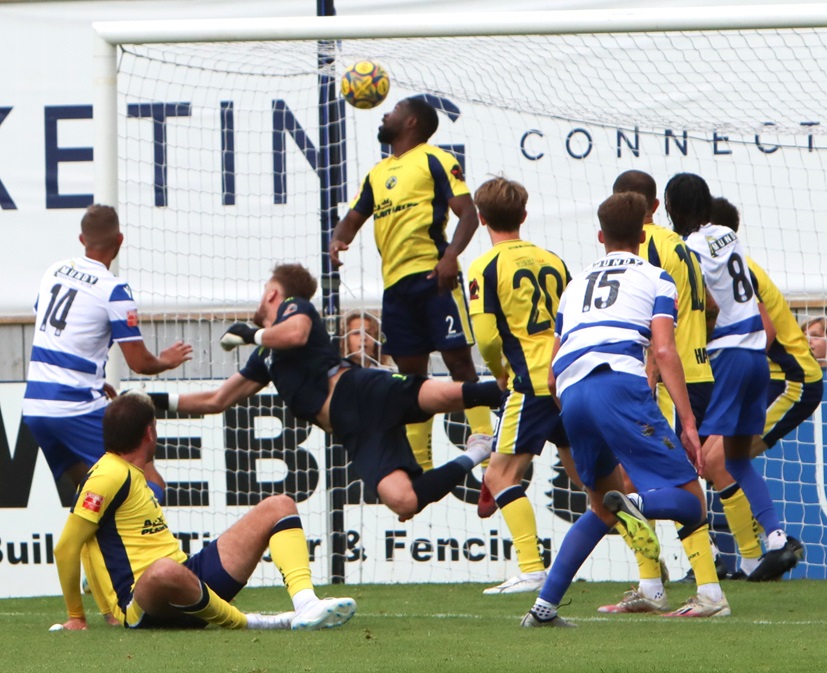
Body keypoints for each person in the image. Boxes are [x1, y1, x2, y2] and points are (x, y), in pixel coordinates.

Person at [522, 192, 728, 628]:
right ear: (643, 234)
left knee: (600, 508)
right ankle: (709, 592)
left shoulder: (575, 284)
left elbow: (550, 375)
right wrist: (688, 421)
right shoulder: (657, 277)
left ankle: (543, 609)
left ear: (600, 235)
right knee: (691, 499)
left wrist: (579, 411)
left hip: (572, 393)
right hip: (619, 382)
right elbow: (665, 350)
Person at [152, 263, 500, 521]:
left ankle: (511, 392)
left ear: (273, 293)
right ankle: (479, 450)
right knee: (404, 502)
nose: (261, 299)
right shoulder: (264, 357)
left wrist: (249, 333)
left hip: (358, 390)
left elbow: (296, 335)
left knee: (444, 395)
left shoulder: (295, 306)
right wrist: (154, 402)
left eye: (263, 292)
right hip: (355, 432)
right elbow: (216, 401)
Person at [52, 393, 356, 631]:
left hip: (187, 578)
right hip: (142, 601)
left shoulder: (132, 474)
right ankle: (253, 621)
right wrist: (78, 617)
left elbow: (104, 533)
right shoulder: (107, 475)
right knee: (162, 570)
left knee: (280, 506)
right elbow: (67, 546)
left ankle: (307, 603)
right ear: (150, 433)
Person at [329, 96, 494, 476]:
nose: (386, 113)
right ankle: (420, 464)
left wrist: (450, 256)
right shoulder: (377, 173)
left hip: (432, 277)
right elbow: (353, 217)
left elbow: (467, 212)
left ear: (412, 122)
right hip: (396, 288)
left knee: (457, 360)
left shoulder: (435, 159)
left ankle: (483, 434)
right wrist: (339, 238)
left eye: (395, 108)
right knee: (411, 377)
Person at [665, 173, 800, 582]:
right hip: (757, 357)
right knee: (737, 459)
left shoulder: (687, 247)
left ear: (672, 209)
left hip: (726, 354)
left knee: (702, 459)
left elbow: (704, 302)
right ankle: (774, 539)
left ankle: (712, 559)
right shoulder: (726, 233)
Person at [597, 170, 721, 614]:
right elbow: (711, 307)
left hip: (668, 378)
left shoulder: (645, 245)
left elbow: (651, 321)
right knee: (655, 478)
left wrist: (652, 370)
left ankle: (689, 587)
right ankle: (658, 584)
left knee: (644, 479)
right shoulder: (679, 245)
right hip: (697, 371)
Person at [23, 204, 192, 495]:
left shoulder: (55, 270)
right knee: (151, 486)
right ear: (120, 241)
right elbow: (138, 363)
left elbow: (55, 330)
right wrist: (166, 360)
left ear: (81, 240)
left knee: (91, 495)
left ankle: (89, 542)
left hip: (35, 407)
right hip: (74, 406)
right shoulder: (113, 290)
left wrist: (92, 378)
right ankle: (147, 542)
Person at [699, 196, 819, 579]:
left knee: (716, 460)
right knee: (719, 461)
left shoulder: (737, 272)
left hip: (793, 381)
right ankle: (764, 550)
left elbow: (764, 332)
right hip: (771, 377)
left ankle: (757, 554)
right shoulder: (736, 267)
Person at [467, 177, 573, 595]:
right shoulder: (553, 259)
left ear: (480, 219)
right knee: (590, 480)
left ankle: (531, 570)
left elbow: (489, 338)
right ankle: (648, 564)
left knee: (498, 475)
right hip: (567, 376)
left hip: (529, 382)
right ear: (524, 216)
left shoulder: (484, 267)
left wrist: (498, 372)